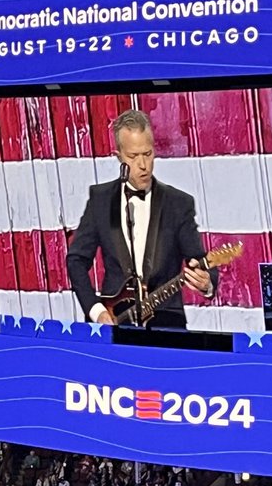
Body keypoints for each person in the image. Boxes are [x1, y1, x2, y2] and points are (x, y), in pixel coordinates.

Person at [66, 109, 217, 329]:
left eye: (147, 154)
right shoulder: (101, 201)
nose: (143, 165)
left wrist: (207, 282)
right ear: (118, 156)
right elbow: (76, 260)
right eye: (134, 156)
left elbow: (199, 259)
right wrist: (96, 311)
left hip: (166, 324)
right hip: (114, 321)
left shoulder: (178, 203)